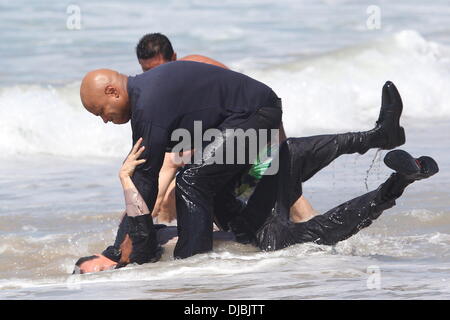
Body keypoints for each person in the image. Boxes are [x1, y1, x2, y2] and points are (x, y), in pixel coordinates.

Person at [76, 77, 436, 273]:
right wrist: (126, 188)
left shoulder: (134, 248)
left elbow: (140, 213)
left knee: (278, 157)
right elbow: (141, 219)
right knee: (320, 226)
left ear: (112, 90)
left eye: (101, 111)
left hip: (249, 216)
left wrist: (115, 246)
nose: (104, 119)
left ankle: (194, 261)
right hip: (263, 237)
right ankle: (398, 178)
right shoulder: (137, 259)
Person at [135, 33, 309, 225]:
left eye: (158, 69)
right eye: (146, 71)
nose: (152, 78)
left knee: (289, 200)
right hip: (244, 139)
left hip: (264, 142)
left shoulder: (195, 68)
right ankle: (156, 233)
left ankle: (142, 231)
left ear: (174, 58)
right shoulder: (168, 88)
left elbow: (250, 105)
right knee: (175, 191)